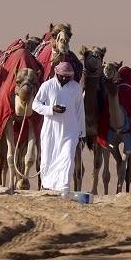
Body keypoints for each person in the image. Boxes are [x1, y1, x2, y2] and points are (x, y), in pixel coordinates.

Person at [31, 62, 85, 192]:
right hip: (51, 131)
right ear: (56, 73)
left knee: (67, 157)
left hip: (70, 131)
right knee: (48, 158)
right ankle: (47, 185)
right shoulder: (47, 85)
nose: (65, 78)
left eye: (68, 76)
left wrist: (81, 133)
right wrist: (51, 109)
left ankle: (63, 187)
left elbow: (80, 110)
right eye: (62, 76)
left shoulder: (76, 87)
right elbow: (35, 104)